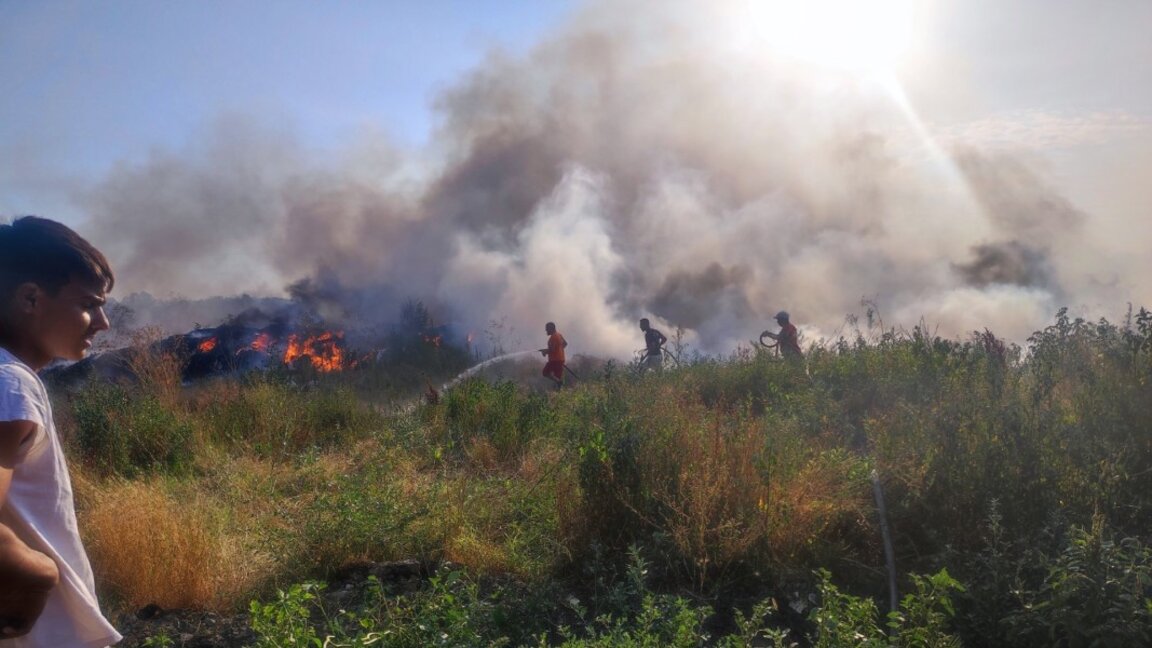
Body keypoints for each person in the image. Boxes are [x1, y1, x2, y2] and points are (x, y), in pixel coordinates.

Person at [0, 216, 122, 647]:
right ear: (31, 298)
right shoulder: (10, 381)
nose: (103, 322)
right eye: (89, 303)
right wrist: (39, 573)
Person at [539, 321, 568, 388]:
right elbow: (565, 344)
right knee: (557, 377)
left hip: (554, 360)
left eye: (547, 329)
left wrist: (544, 352)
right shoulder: (559, 335)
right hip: (560, 360)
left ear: (551, 328)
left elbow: (552, 350)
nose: (546, 330)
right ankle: (559, 387)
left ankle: (559, 382)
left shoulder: (553, 337)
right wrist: (559, 351)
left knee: (545, 372)